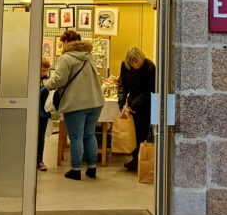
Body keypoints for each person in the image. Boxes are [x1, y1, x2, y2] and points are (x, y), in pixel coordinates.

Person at [45, 29, 104, 180]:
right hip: (95, 102)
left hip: (75, 103)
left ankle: (76, 170)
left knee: (76, 137)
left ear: (66, 42)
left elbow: (59, 79)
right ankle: (92, 168)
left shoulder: (66, 58)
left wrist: (47, 84)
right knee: (89, 134)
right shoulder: (89, 56)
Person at [117, 46, 156, 172]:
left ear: (141, 59)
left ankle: (142, 160)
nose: (134, 65)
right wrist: (122, 103)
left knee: (142, 133)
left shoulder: (150, 67)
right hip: (132, 102)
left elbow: (148, 91)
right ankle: (135, 159)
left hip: (145, 105)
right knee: (132, 133)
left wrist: (133, 106)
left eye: (136, 63)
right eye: (131, 64)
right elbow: (122, 84)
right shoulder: (125, 66)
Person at [36, 56, 52, 171]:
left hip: (44, 114)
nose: (45, 73)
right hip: (35, 112)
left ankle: (39, 160)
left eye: (46, 70)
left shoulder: (48, 81)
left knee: (41, 138)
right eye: (42, 70)